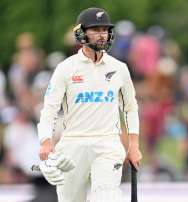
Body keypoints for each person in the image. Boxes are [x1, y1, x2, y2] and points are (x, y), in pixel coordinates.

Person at [37, 7, 142, 202]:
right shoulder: (65, 68)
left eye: (104, 30)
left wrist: (133, 145)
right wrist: (45, 141)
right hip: (72, 145)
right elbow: (49, 109)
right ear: (82, 33)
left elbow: (130, 108)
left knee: (106, 197)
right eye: (95, 30)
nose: (101, 35)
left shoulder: (119, 69)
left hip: (108, 143)